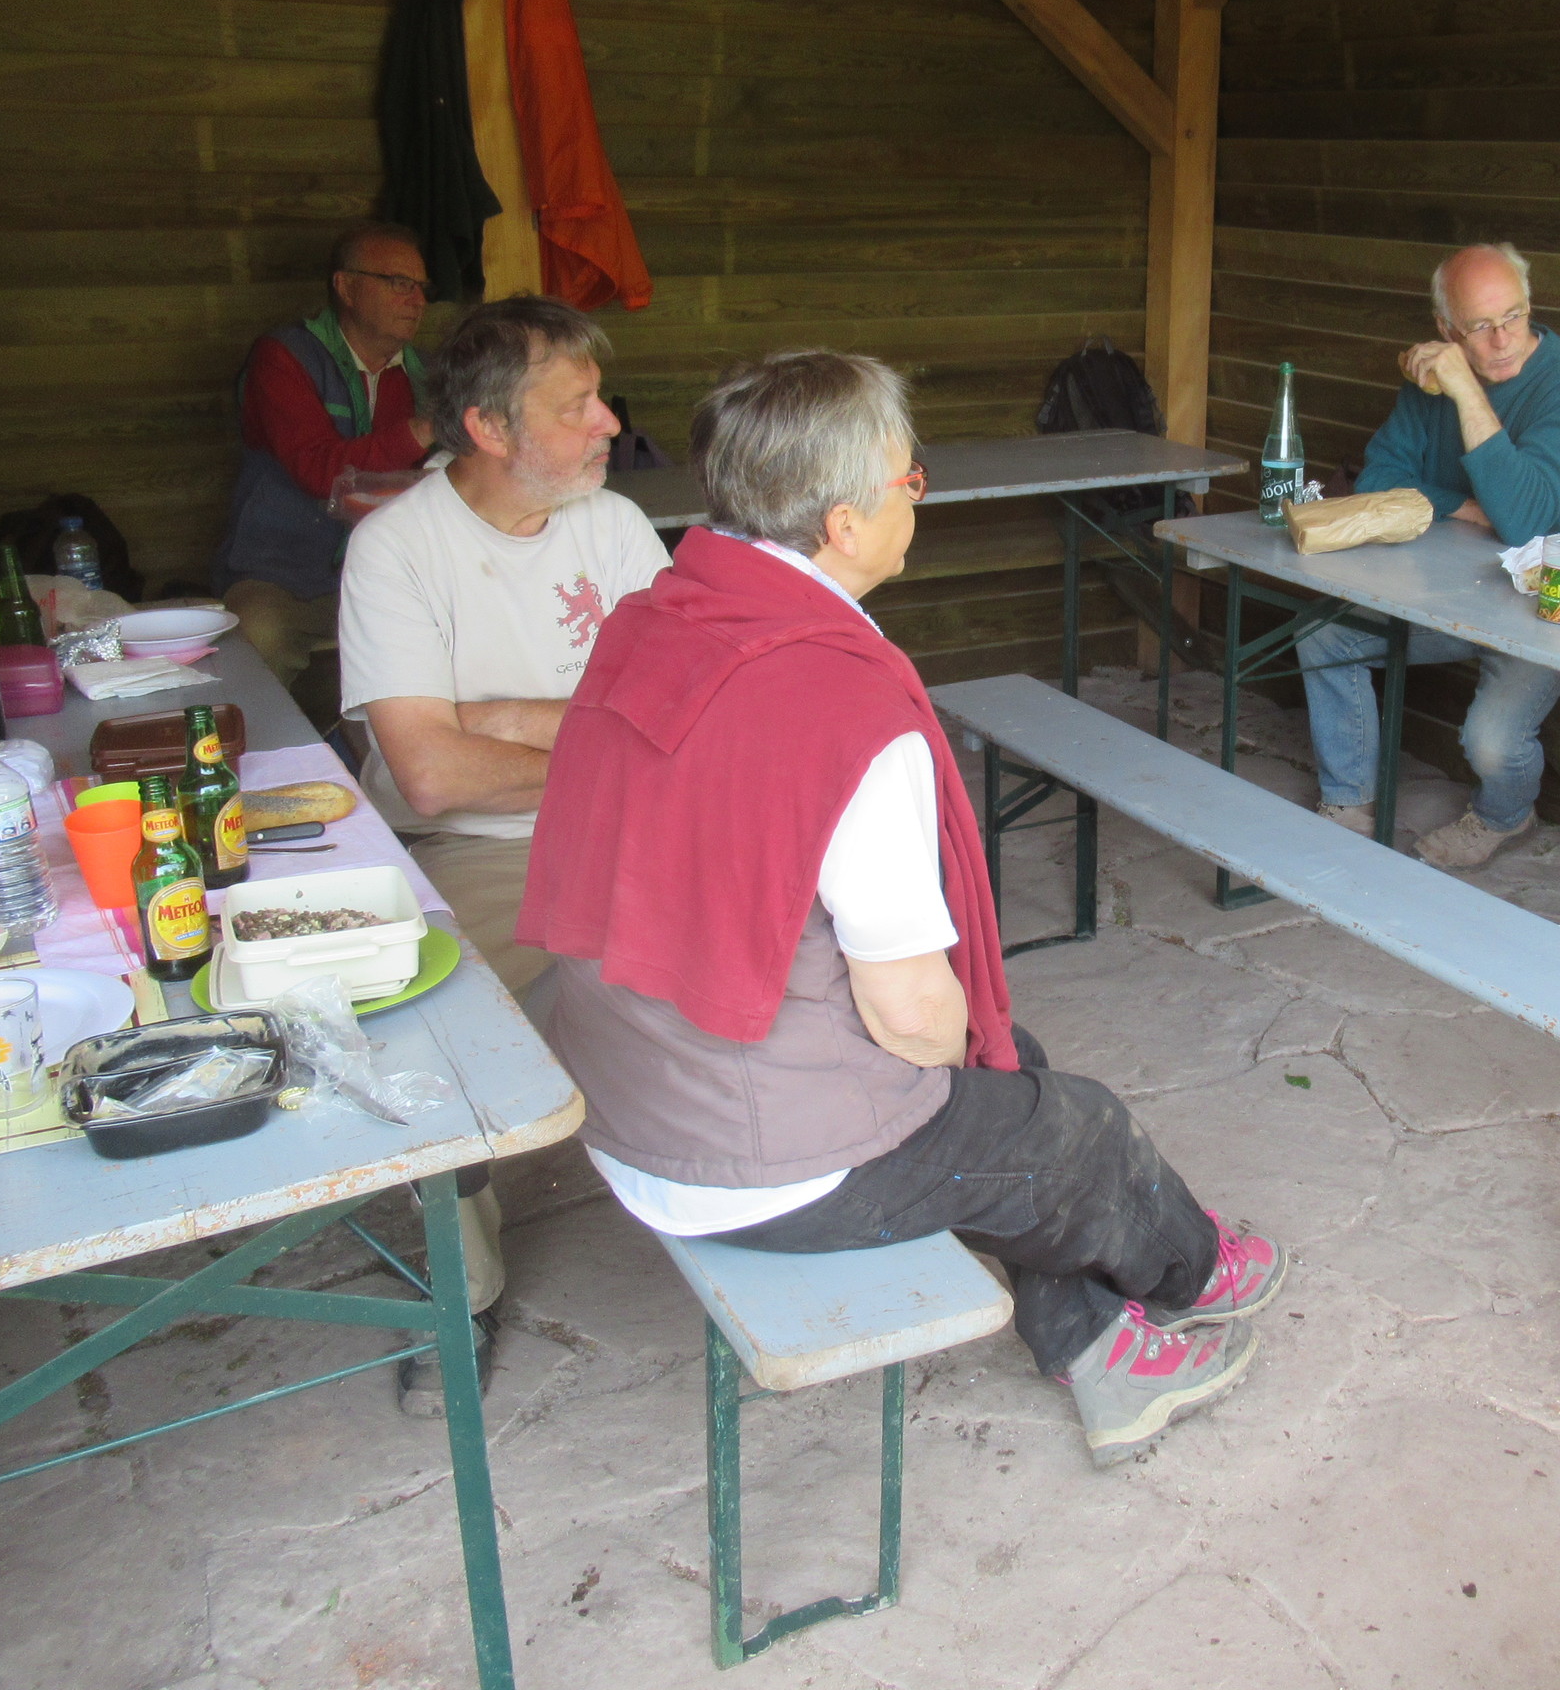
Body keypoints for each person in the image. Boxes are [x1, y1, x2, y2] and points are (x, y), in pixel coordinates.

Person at [516, 350, 1288, 1467]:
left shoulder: (656, 619)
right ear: (843, 524)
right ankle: (1195, 1271)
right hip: (751, 1165)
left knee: (1012, 1073)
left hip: (631, 1086)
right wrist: (970, 1053)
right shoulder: (841, 702)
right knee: (1072, 1130)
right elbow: (917, 1018)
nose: (915, 496)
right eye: (908, 479)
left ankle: (1095, 1348)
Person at [337, 295, 669, 1406]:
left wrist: (503, 719)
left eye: (599, 399)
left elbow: (681, 718)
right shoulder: (398, 549)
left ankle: (791, 1193)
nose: (608, 422)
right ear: (487, 428)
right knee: (428, 1029)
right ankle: (463, 1292)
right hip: (475, 844)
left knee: (815, 942)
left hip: (632, 827)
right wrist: (600, 738)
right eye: (576, 406)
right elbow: (433, 776)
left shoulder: (612, 527)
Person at [1294, 242, 1560, 869]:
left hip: (1547, 608)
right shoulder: (1430, 381)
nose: (1502, 339)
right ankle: (1348, 800)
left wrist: (1467, 392)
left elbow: (1523, 519)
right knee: (1322, 633)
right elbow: (1379, 479)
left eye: (1514, 316)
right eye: (1479, 326)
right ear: (1446, 329)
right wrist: (1470, 505)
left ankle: (1504, 816)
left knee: (1489, 742)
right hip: (1446, 591)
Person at [215, 222, 440, 684]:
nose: (417, 299)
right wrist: (425, 428)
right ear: (347, 287)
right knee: (259, 635)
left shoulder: (424, 373)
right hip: (283, 575)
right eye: (399, 283)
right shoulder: (284, 357)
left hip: (390, 576)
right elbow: (321, 471)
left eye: (422, 287)